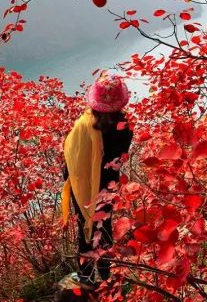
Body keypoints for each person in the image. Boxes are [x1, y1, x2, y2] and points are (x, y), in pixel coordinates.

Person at [61, 73, 133, 285]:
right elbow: (121, 158)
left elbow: (70, 160)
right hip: (108, 184)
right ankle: (105, 273)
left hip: (81, 185)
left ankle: (85, 276)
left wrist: (72, 181)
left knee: (86, 226)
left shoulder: (83, 125)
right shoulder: (124, 127)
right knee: (105, 226)